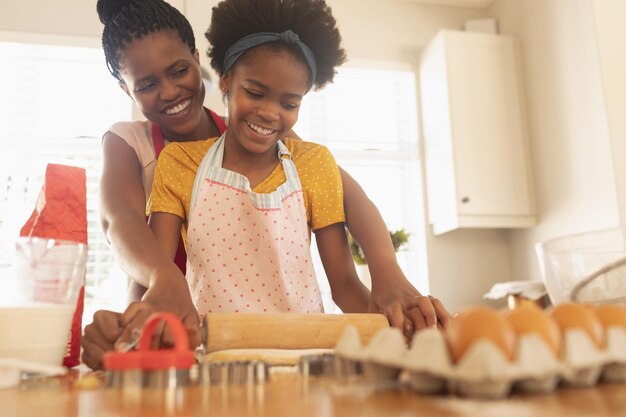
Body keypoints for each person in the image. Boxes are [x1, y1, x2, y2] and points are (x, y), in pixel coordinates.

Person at [82, 0, 450, 370]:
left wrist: (388, 273)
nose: (169, 91)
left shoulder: (264, 133)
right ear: (125, 88)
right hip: (198, 331)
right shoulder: (145, 149)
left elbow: (348, 196)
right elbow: (123, 224)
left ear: (198, 61)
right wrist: (148, 305)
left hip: (297, 346)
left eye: (179, 70)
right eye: (146, 84)